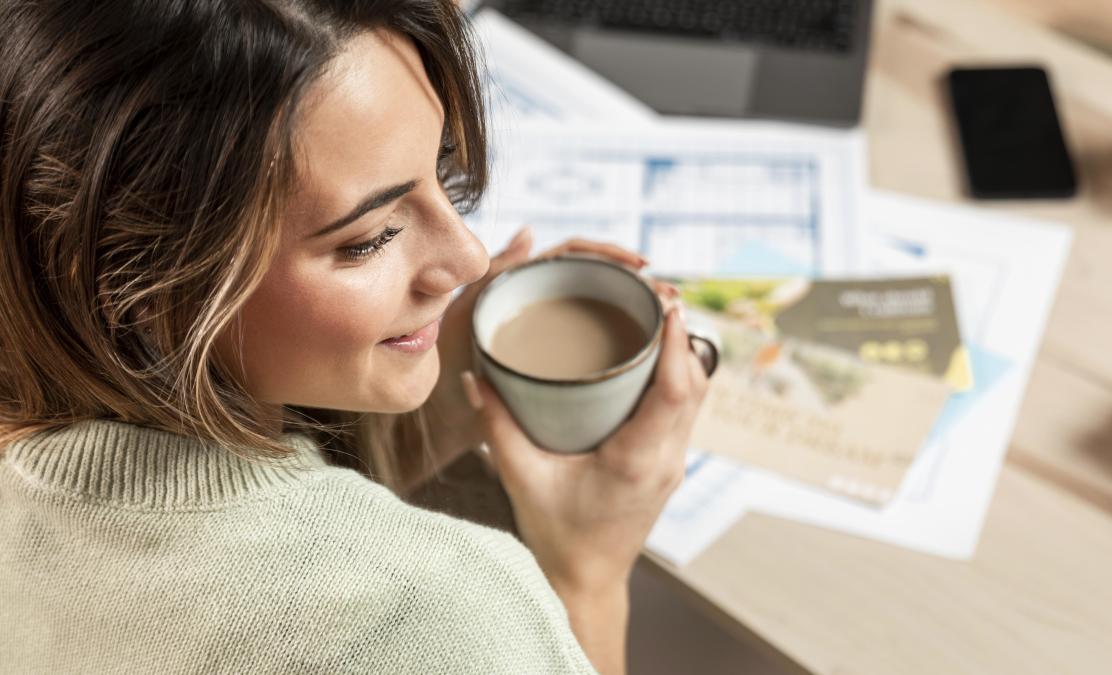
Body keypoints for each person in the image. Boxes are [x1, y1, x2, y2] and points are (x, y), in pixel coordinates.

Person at [0, 1, 709, 673]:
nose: (469, 257)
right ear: (140, 284)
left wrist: (430, 399)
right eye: (371, 237)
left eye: (440, 168)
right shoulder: (438, 620)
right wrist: (586, 572)